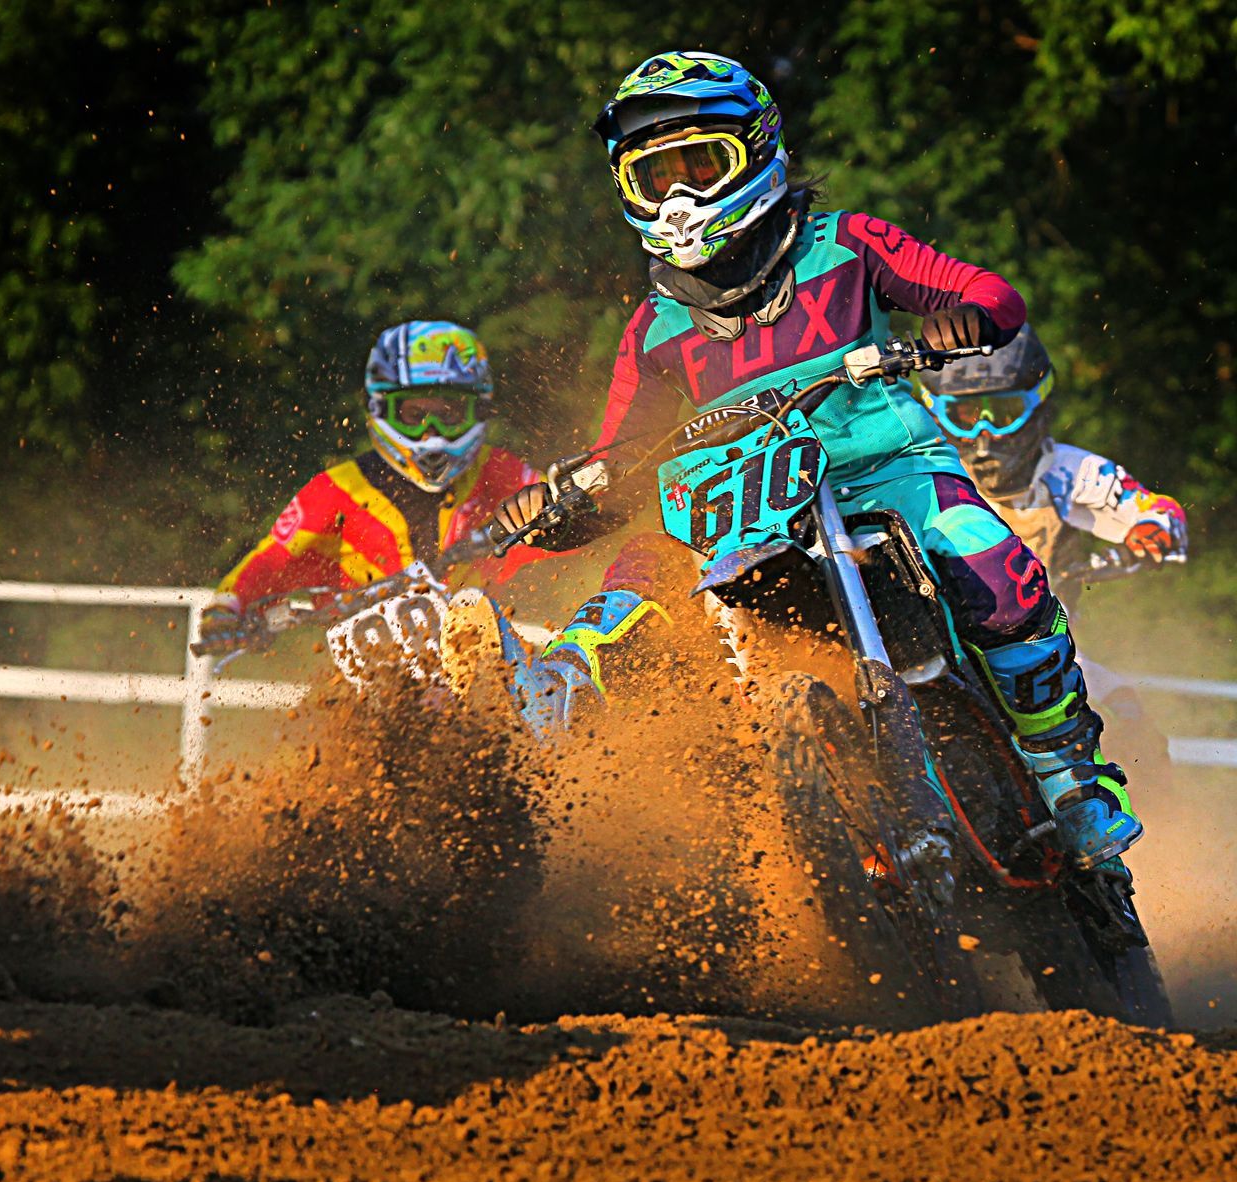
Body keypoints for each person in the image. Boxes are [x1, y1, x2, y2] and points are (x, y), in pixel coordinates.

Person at [486, 50, 1139, 873]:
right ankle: (565, 691)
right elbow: (620, 461)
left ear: (756, 152)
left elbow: (986, 293)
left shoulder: (844, 244)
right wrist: (549, 511)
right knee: (644, 561)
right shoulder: (653, 330)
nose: (681, 196)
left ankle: (1070, 775)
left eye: (700, 164)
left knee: (993, 565)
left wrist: (957, 323)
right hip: (745, 508)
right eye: (657, 177)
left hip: (886, 469)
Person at [202, 320, 550, 633]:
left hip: (475, 659)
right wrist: (225, 609)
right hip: (369, 674)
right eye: (413, 414)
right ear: (381, 410)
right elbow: (271, 558)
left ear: (479, 410)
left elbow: (567, 509)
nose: (432, 433)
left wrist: (587, 498)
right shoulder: (337, 489)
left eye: (448, 413)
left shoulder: (498, 471)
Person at [916, 323, 1187, 609]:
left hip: (1051, 638)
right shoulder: (925, 476)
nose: (985, 430)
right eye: (967, 414)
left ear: (1037, 407)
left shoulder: (1069, 470)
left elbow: (1162, 512)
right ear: (937, 413)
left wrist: (1150, 529)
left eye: (1004, 412)